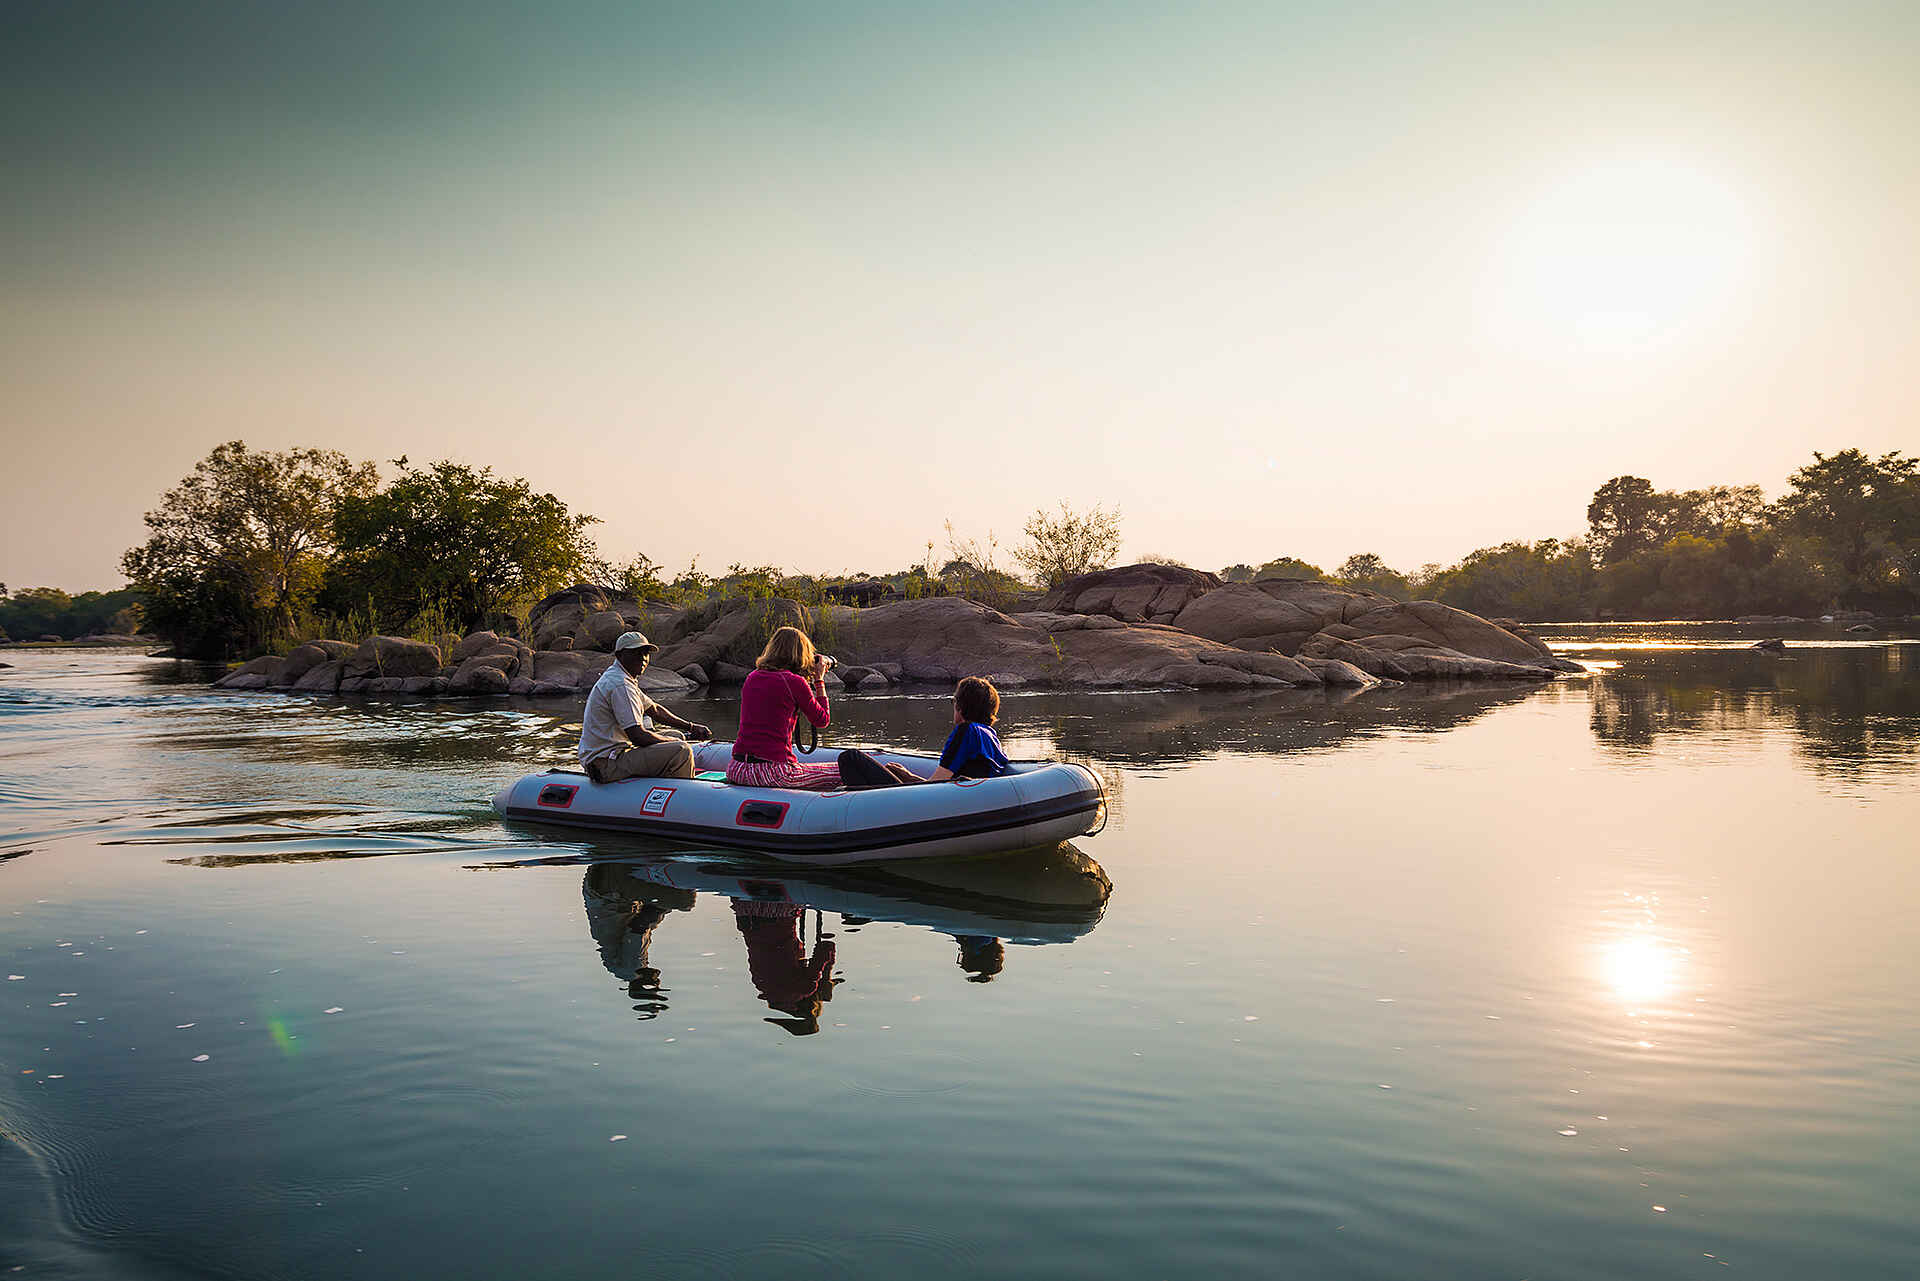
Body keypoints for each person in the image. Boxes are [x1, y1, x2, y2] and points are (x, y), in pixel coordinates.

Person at [578, 632, 712, 783]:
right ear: (620, 655)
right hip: (605, 764)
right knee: (681, 751)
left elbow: (654, 709)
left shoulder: (622, 677)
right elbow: (638, 736)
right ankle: (681, 795)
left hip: (613, 754)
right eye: (636, 652)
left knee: (677, 736)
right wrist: (672, 743)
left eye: (645, 653)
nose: (643, 658)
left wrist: (690, 727)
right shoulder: (620, 684)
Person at [836, 675, 1010, 787]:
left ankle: (858, 813)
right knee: (892, 771)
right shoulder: (990, 736)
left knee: (849, 757)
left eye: (954, 700)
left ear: (962, 706)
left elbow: (936, 788)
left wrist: (907, 777)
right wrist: (908, 777)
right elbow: (951, 783)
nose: (954, 705)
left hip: (936, 808)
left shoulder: (967, 731)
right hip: (961, 801)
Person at [727, 626, 843, 789]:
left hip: (737, 769)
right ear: (801, 654)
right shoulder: (794, 682)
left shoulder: (752, 677)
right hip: (772, 773)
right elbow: (822, 720)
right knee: (845, 770)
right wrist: (819, 680)